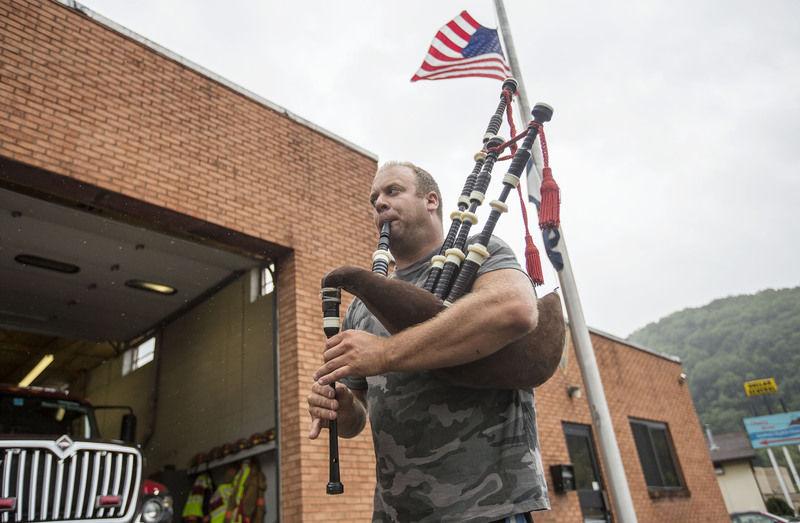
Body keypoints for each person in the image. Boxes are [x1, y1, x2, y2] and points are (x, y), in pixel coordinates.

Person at [307, 161, 549, 522]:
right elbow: (356, 418)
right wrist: (342, 409)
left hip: (488, 505)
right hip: (399, 512)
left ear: (431, 200)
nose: (379, 203)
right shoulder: (360, 308)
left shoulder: (479, 252)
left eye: (393, 191)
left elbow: (514, 310)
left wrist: (386, 352)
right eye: (374, 198)